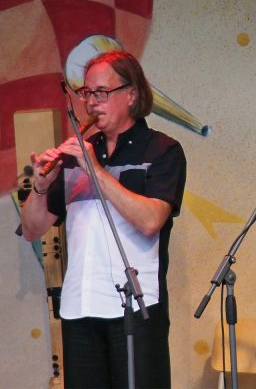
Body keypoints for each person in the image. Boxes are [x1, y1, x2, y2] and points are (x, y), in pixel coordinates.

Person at [21, 50, 186, 388]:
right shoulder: (75, 155)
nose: (92, 103)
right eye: (86, 93)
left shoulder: (162, 151)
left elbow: (152, 220)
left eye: (102, 93)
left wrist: (95, 170)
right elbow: (31, 228)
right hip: (79, 305)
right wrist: (40, 186)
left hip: (137, 308)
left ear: (132, 93)